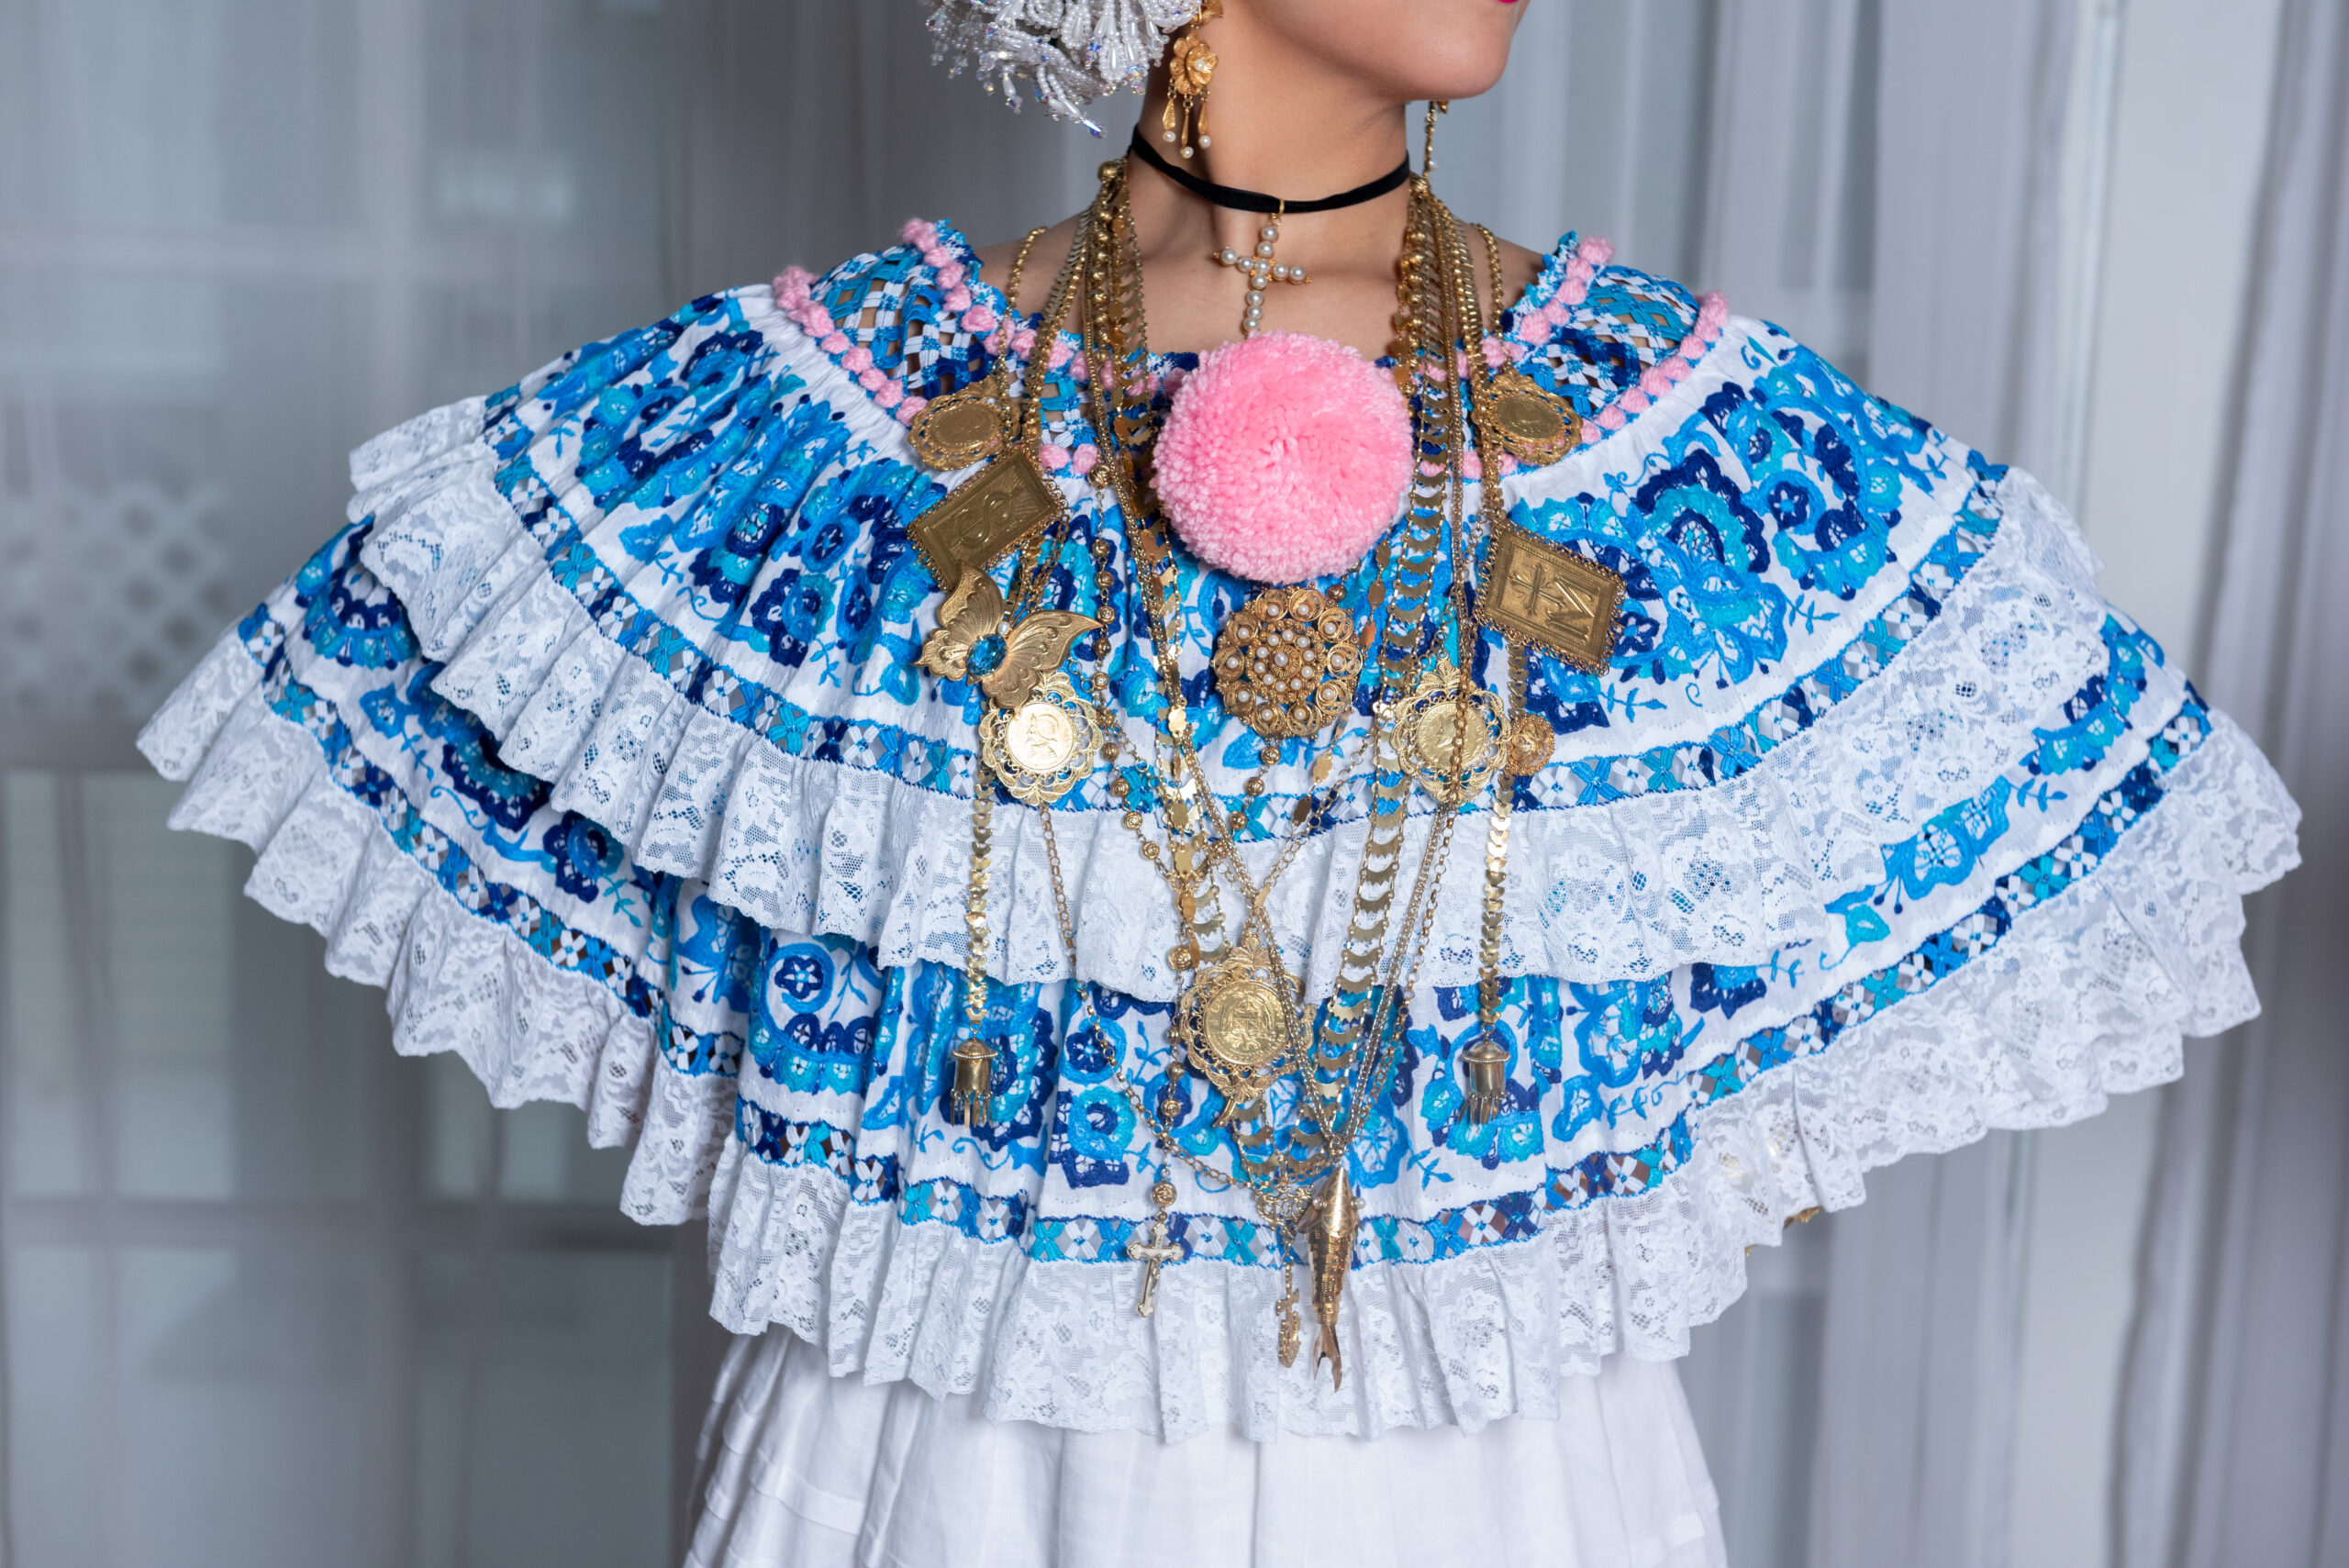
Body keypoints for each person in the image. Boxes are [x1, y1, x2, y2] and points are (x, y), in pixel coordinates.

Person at [137, 2, 2299, 1563]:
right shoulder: (813, 432)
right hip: (950, 1467)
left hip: (1482, 1475)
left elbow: (1858, 968)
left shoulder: (1680, 444)